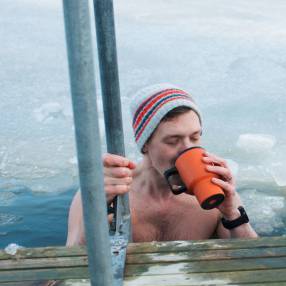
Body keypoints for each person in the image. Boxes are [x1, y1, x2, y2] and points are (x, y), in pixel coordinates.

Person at [67, 84, 257, 246]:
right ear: (145, 144)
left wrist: (232, 213)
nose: (187, 149)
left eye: (195, 137)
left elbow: (254, 260)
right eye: (173, 141)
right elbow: (71, 264)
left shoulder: (214, 190)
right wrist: (94, 216)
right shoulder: (108, 191)